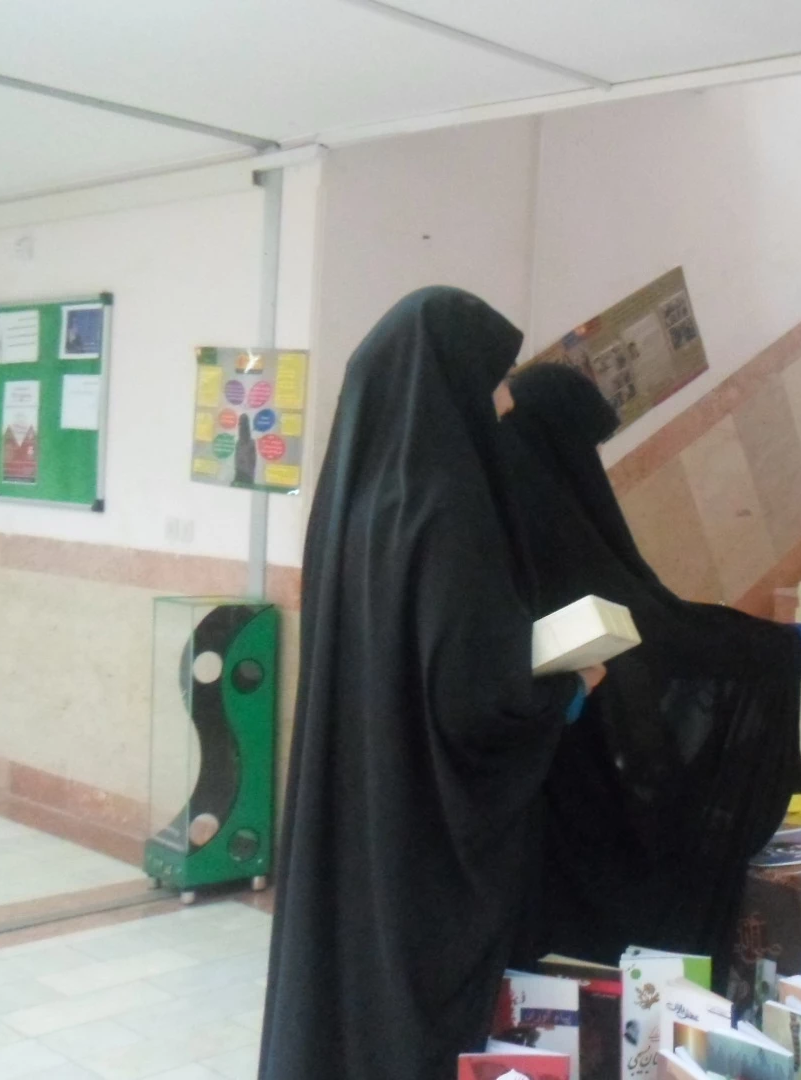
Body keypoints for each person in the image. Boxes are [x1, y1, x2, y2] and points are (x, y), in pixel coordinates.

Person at [260, 288, 607, 1080]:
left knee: (350, 973)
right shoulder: (448, 508)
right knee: (410, 997)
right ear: (447, 379)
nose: (502, 400)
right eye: (494, 378)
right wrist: (568, 689)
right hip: (420, 815)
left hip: (359, 792)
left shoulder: (355, 499)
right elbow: (471, 702)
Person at [500, 362, 801, 970]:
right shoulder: (552, 529)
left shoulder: (502, 515)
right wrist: (784, 646)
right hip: (567, 800)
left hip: (528, 802)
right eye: (586, 448)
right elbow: (658, 634)